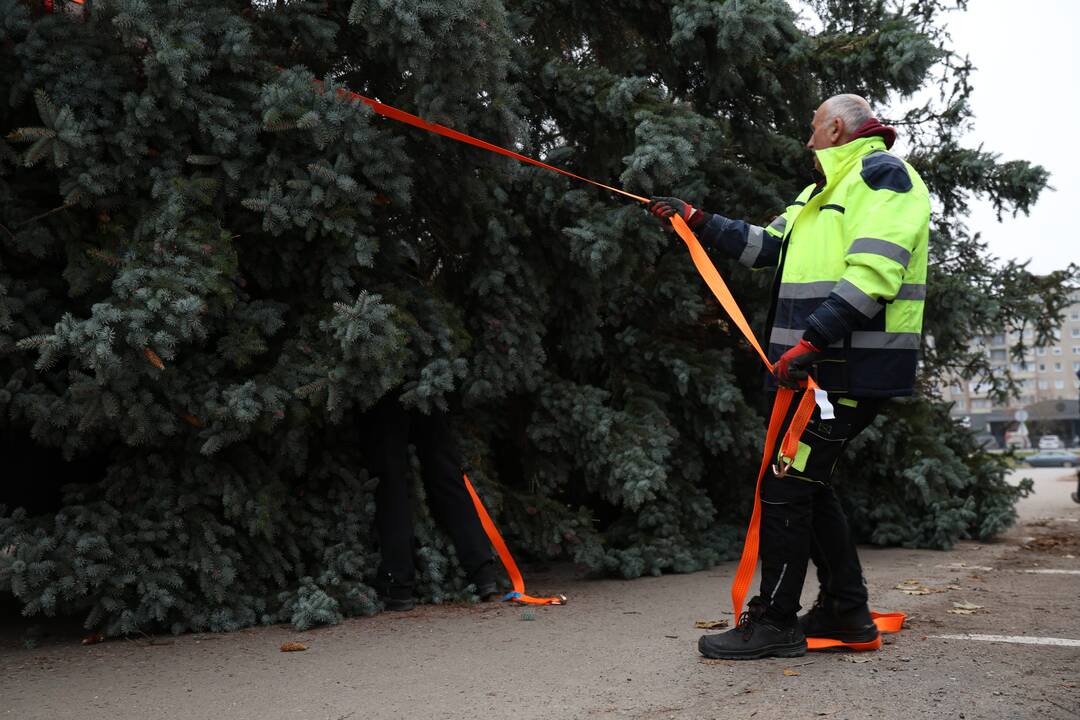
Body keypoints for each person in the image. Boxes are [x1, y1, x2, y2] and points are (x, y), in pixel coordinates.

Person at [648, 94, 930, 660]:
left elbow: (875, 272)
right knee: (806, 482)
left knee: (786, 482)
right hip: (819, 368)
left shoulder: (882, 176)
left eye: (811, 129)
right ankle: (847, 614)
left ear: (832, 126)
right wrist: (697, 219)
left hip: (847, 368)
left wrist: (811, 341)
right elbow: (766, 247)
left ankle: (777, 621)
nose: (806, 141)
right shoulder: (819, 192)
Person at [360, 393, 499, 610]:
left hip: (381, 380)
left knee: (390, 474)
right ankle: (482, 573)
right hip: (424, 373)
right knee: (443, 464)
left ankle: (397, 582)